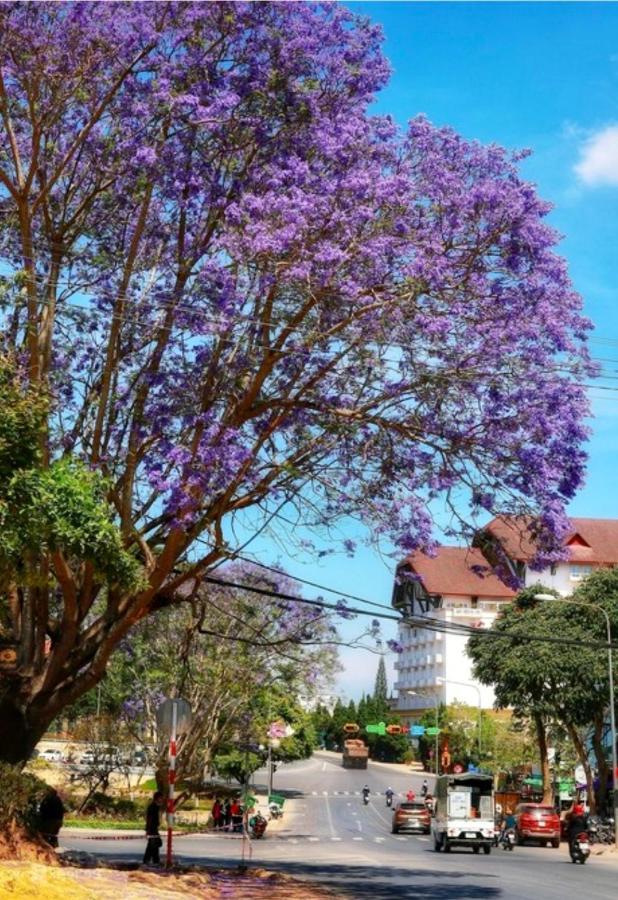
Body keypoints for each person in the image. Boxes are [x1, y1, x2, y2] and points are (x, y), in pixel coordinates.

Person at [143, 791, 164, 866]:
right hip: (152, 829)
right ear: (157, 798)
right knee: (154, 844)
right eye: (161, 798)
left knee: (154, 845)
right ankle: (149, 860)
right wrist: (147, 830)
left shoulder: (156, 807)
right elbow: (149, 819)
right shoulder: (153, 807)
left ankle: (154, 860)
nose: (162, 799)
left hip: (154, 828)